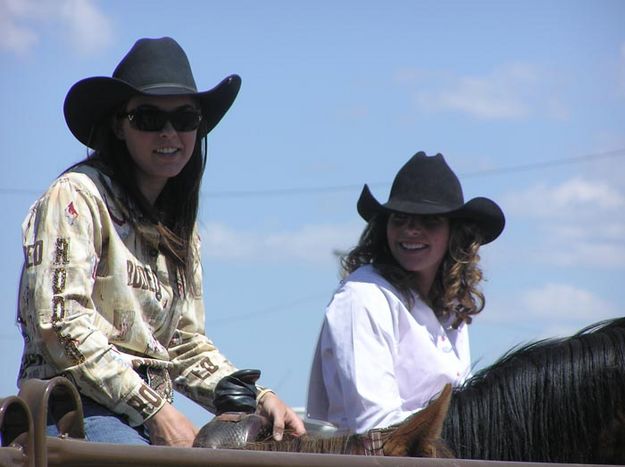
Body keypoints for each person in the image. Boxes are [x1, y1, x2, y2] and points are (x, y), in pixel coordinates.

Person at [16, 36, 305, 447]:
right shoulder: (76, 196)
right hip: (75, 409)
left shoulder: (179, 229)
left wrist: (257, 397)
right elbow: (60, 323)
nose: (170, 132)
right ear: (120, 124)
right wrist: (155, 411)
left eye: (185, 118)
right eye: (149, 118)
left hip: (140, 415)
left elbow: (182, 345)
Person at [306, 151, 505, 433]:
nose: (411, 230)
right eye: (399, 219)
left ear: (455, 233)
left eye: (429, 220)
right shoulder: (364, 296)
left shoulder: (450, 308)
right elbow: (376, 428)